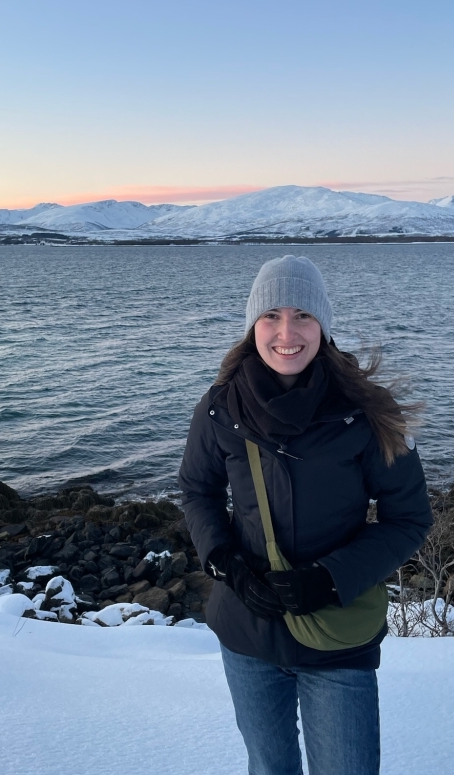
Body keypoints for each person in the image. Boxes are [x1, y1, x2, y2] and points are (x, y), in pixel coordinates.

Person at [178, 255, 433, 775]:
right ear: (253, 326)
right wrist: (225, 561)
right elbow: (197, 490)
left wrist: (329, 579)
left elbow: (408, 519)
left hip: (337, 637)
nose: (286, 332)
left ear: (324, 325)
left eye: (303, 316)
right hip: (247, 632)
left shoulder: (367, 412)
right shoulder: (219, 408)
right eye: (271, 315)